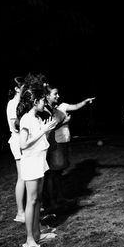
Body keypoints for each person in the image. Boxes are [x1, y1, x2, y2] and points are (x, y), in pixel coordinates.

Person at [17, 84, 58, 247]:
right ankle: (29, 241)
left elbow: (40, 140)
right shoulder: (26, 119)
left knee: (38, 200)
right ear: (34, 101)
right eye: (42, 100)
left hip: (40, 161)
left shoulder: (37, 118)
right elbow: (23, 144)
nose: (44, 102)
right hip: (31, 163)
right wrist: (43, 131)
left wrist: (47, 130)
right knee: (32, 201)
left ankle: (38, 233)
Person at [42, 84, 95, 212]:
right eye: (55, 94)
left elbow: (76, 106)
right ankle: (52, 201)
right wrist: (64, 123)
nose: (58, 96)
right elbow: (47, 128)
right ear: (47, 96)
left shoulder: (62, 106)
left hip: (64, 142)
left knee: (59, 173)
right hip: (55, 144)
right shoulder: (46, 110)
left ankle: (60, 197)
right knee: (52, 173)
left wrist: (85, 101)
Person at [6, 76, 25, 223]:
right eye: (24, 86)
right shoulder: (13, 104)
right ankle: (20, 213)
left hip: (25, 140)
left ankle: (32, 209)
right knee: (22, 177)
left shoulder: (22, 102)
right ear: (17, 88)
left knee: (28, 176)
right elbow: (15, 127)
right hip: (18, 141)